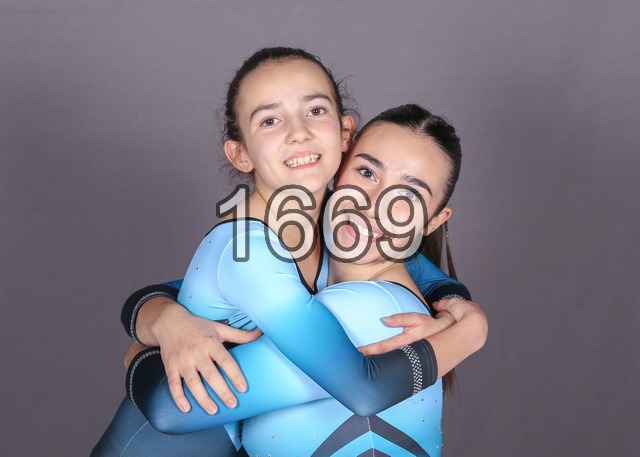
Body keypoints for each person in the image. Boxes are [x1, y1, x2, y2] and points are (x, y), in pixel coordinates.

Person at [91, 48, 486, 456]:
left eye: (315, 110)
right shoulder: (249, 249)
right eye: (270, 120)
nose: (298, 133)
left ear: (344, 133)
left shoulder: (339, 228)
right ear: (241, 153)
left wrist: (454, 302)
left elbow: (415, 266)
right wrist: (469, 335)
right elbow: (167, 407)